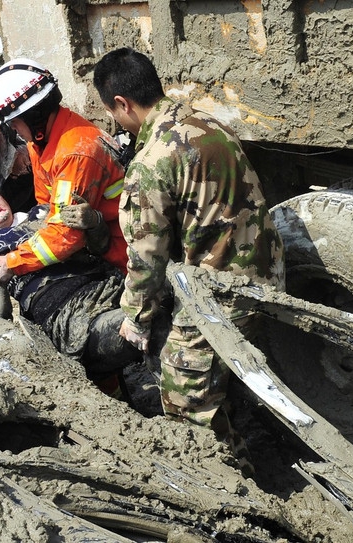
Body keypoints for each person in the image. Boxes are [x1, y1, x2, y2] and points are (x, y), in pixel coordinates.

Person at [92, 47, 285, 430]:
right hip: (271, 276)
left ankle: (226, 482)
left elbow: (147, 258)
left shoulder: (151, 162)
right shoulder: (209, 123)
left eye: (112, 113)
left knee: (185, 408)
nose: (115, 122)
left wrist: (135, 318)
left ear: (121, 103)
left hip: (223, 297)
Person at [0, 180, 141, 394]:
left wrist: (94, 221)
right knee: (138, 326)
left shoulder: (45, 212)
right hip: (72, 317)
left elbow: (101, 245)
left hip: (114, 288)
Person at [0, 58, 128, 287]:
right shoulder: (41, 143)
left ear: (34, 116)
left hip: (120, 257)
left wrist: (12, 263)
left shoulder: (74, 153)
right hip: (95, 246)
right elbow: (47, 210)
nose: (13, 130)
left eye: (14, 123)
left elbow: (66, 234)